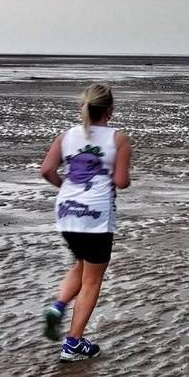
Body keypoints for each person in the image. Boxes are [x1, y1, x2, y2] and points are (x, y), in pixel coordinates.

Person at [39, 82, 131, 360]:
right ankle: (73, 343)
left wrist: (65, 186)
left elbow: (46, 170)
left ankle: (57, 306)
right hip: (96, 217)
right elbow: (121, 181)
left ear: (85, 108)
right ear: (109, 111)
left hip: (66, 213)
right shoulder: (118, 139)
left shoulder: (66, 136)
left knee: (82, 264)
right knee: (93, 280)